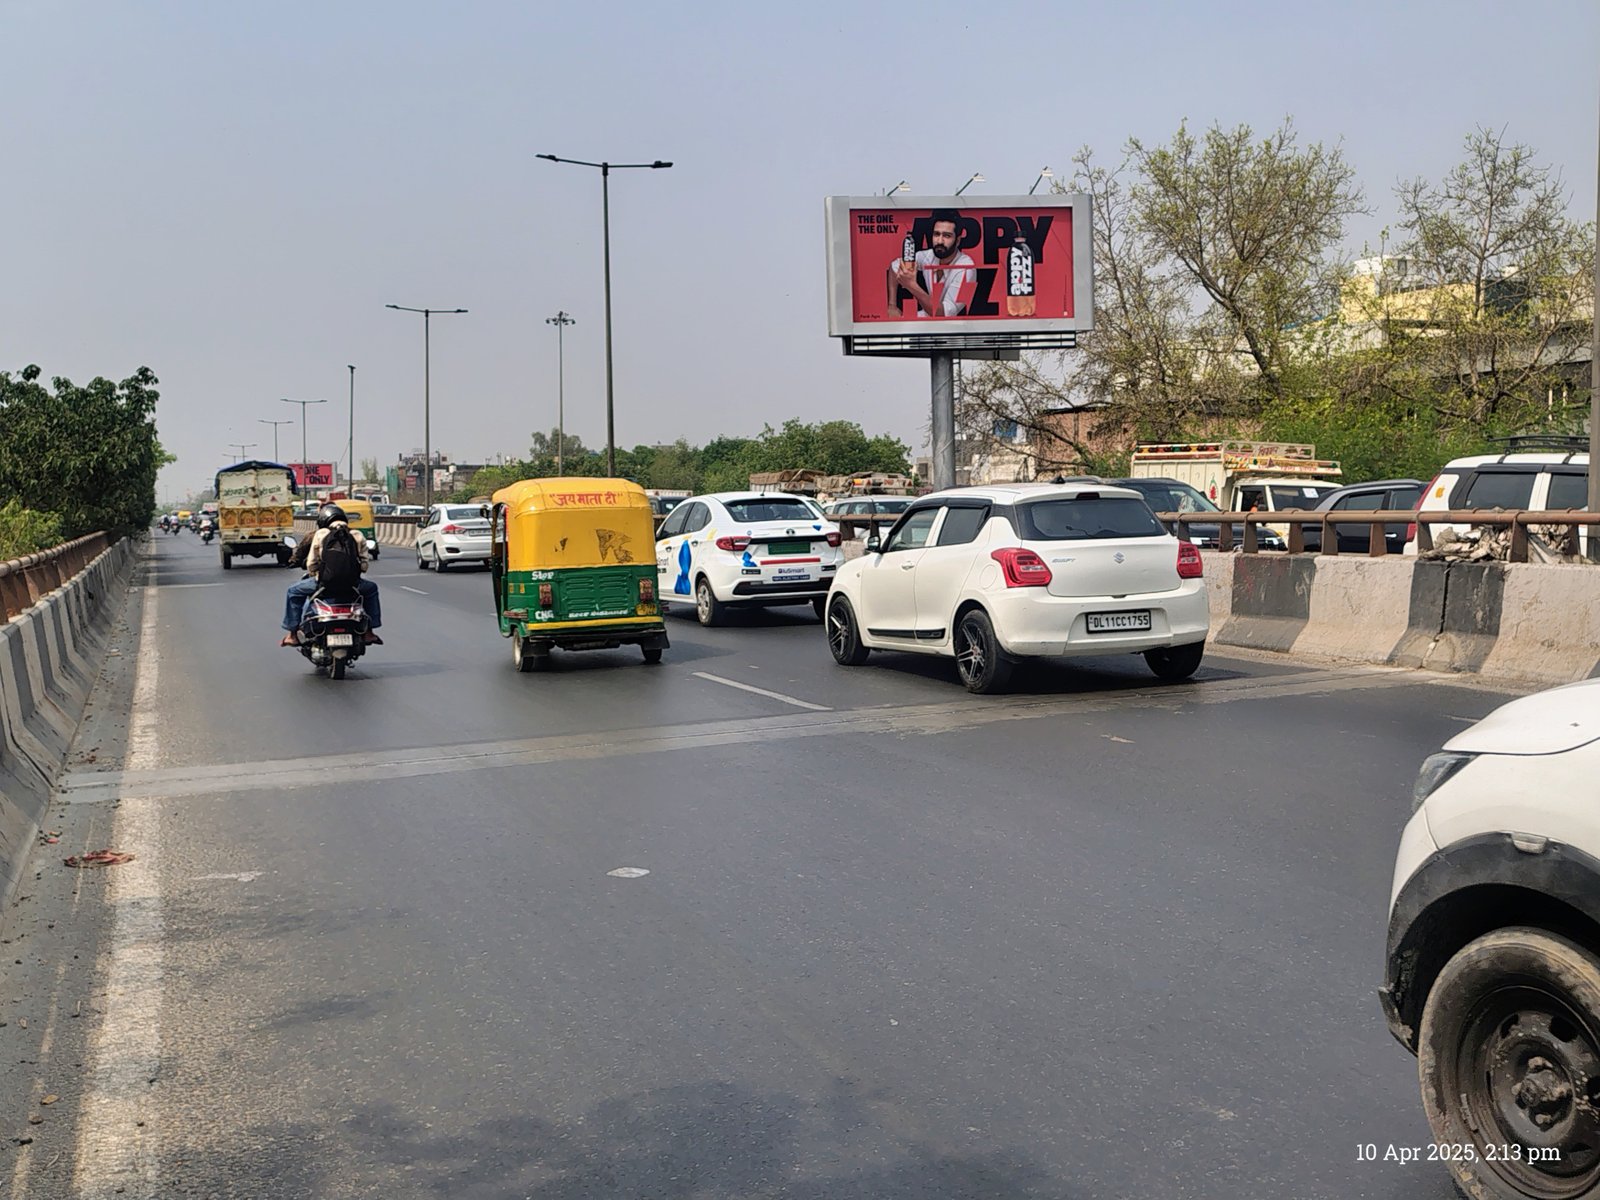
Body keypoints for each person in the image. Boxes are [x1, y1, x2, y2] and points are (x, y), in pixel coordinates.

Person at [279, 504, 383, 646]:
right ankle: (369, 632)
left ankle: (292, 634)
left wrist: (316, 573)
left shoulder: (320, 534)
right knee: (372, 589)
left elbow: (311, 562)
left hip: (323, 585)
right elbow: (364, 565)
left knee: (293, 592)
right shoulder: (357, 535)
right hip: (353, 585)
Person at [885, 208, 976, 317]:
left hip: (957, 327)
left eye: (947, 236)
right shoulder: (928, 256)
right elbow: (894, 267)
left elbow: (945, 314)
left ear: (957, 241)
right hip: (929, 319)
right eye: (936, 234)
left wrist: (911, 285)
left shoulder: (968, 269)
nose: (940, 241)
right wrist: (892, 305)